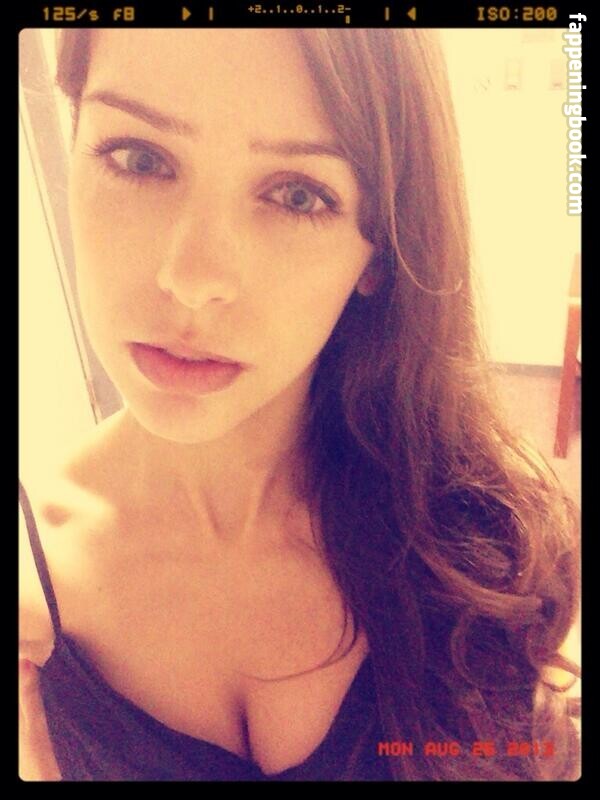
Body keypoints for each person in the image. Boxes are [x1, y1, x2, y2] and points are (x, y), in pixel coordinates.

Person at [19, 27, 581, 781]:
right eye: (140, 158)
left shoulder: (487, 538)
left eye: (296, 195)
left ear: (380, 251)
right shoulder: (32, 584)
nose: (192, 279)